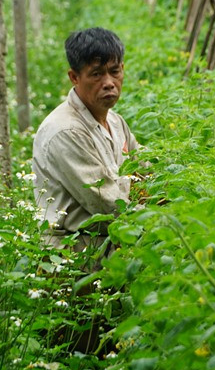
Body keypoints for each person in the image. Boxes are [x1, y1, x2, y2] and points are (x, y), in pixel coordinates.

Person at [32, 27, 139, 249]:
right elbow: (110, 205)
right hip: (74, 251)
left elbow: (147, 167)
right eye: (97, 74)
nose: (109, 82)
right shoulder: (65, 131)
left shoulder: (116, 122)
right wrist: (159, 211)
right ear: (74, 77)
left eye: (115, 71)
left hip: (108, 238)